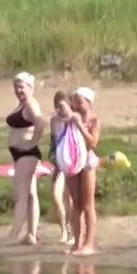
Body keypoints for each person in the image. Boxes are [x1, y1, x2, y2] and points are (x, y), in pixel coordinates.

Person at [6, 72, 46, 245]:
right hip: (22, 154)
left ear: (30, 87)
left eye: (21, 87)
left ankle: (13, 235)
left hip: (26, 154)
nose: (18, 90)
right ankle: (31, 234)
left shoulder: (30, 103)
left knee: (21, 195)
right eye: (16, 87)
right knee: (30, 194)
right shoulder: (23, 103)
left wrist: (32, 142)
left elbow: (40, 121)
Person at [66, 87, 102, 256]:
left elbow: (92, 143)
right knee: (76, 204)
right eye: (75, 102)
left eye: (79, 102)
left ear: (89, 103)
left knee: (88, 205)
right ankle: (77, 243)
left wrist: (80, 125)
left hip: (87, 161)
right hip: (73, 161)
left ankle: (89, 244)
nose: (76, 105)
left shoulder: (94, 121)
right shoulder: (70, 119)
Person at [48, 91, 75, 245]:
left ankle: (73, 232)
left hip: (71, 163)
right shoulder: (54, 121)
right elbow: (53, 143)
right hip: (59, 163)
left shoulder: (74, 120)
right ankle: (64, 230)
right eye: (57, 106)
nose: (59, 110)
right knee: (56, 196)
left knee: (69, 198)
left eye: (62, 106)